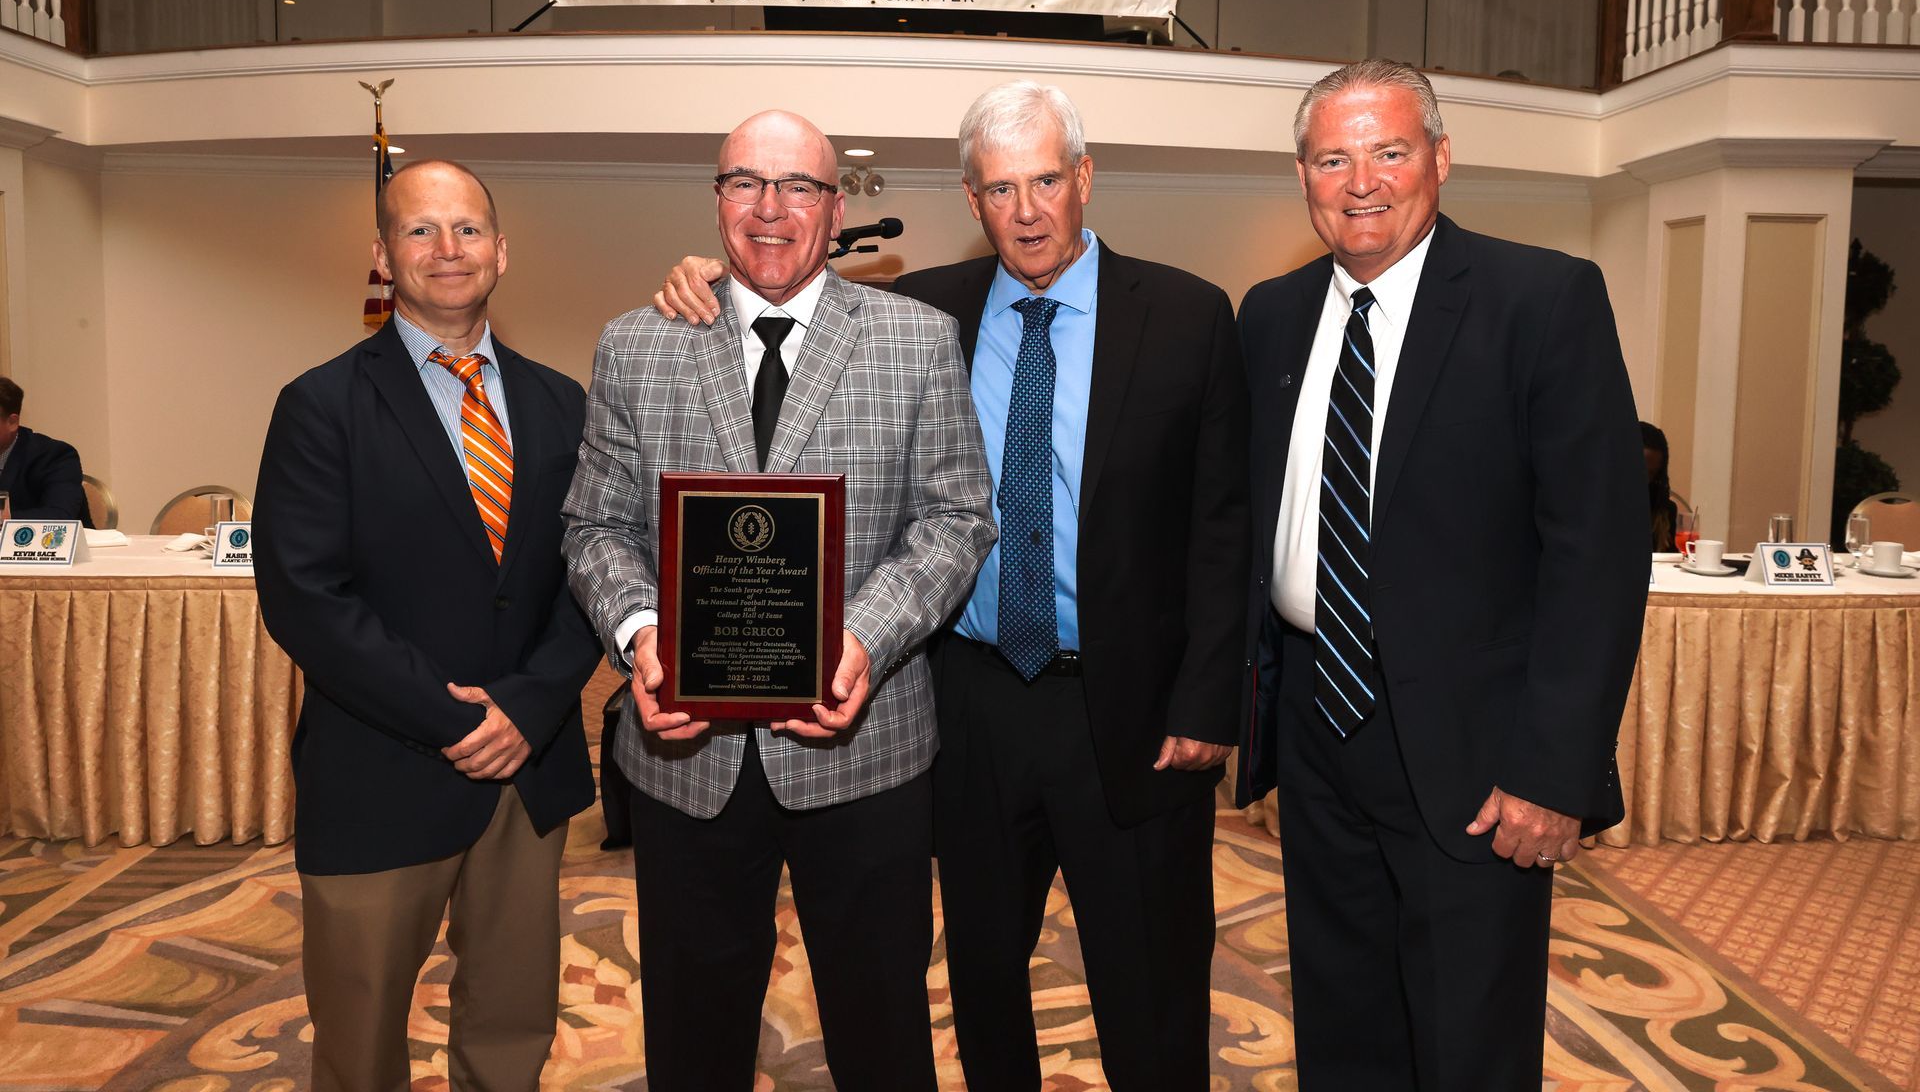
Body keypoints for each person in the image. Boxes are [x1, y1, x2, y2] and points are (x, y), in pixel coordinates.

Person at [654, 81, 1251, 1091]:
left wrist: (1206, 698)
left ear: (1085, 179)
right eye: (1001, 187)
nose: (1027, 210)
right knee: (980, 975)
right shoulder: (921, 310)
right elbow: (785, 281)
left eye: (1047, 180)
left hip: (1135, 708)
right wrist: (709, 279)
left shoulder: (1190, 314)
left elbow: (1222, 525)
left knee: (1150, 980)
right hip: (968, 704)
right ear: (972, 200)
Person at [562, 109, 996, 1092]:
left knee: (883, 1027)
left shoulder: (916, 341)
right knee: (692, 1032)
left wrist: (862, 637)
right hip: (687, 755)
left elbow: (956, 519)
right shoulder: (638, 343)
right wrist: (641, 636)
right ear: (716, 200)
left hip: (866, 744)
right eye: (745, 182)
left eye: (799, 185)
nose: (771, 208)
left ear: (836, 207)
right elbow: (594, 527)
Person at [1236, 59, 1647, 1091]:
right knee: (1341, 1013)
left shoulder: (1542, 299)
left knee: (1469, 1034)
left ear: (1441, 159)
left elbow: (1597, 556)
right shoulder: (1273, 314)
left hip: (1476, 750)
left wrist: (1556, 771)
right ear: (1303, 177)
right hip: (1316, 723)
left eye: (1388, 150)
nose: (1361, 179)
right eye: (1334, 157)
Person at [253, 160, 602, 1092]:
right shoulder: (320, 405)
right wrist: (456, 721)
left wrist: (525, 709)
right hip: (381, 770)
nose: (446, 250)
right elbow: (305, 597)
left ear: (501, 252)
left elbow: (595, 579)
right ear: (382, 254)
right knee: (360, 1043)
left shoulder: (564, 403)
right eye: (419, 231)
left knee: (512, 1029)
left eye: (467, 230)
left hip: (523, 777)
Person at [0, 376, 93, 524]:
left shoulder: (55, 456)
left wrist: (4, 519)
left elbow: (60, 515)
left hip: (54, 545)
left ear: (12, 422)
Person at [1642, 420, 1678, 551]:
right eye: (1639, 471)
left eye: (1652, 473)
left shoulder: (1665, 512)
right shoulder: (1602, 507)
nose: (1646, 480)